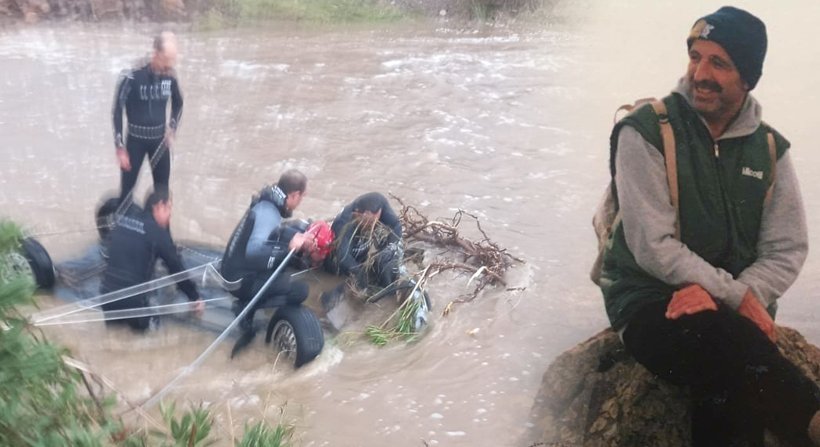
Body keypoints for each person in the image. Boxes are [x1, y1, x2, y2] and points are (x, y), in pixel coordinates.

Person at [599, 6, 820, 446]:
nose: (701, 73)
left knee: (728, 380)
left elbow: (787, 248)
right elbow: (652, 245)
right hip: (650, 303)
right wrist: (734, 297)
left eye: (719, 63)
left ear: (748, 77)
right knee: (724, 341)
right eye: (695, 57)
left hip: (735, 311)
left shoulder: (770, 148)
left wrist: (729, 296)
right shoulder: (644, 132)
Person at [220, 169, 319, 350]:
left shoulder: (270, 200)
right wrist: (289, 248)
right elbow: (254, 251)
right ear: (294, 195)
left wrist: (299, 240)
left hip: (234, 266)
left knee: (289, 239)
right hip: (237, 281)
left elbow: (275, 235)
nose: (300, 202)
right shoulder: (268, 212)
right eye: (301, 197)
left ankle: (251, 301)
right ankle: (245, 308)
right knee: (301, 290)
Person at [100, 188, 203, 331]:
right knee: (154, 334)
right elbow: (176, 269)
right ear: (159, 206)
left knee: (115, 336)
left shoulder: (123, 221)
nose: (170, 214)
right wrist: (194, 297)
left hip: (107, 298)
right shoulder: (158, 233)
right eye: (169, 208)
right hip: (134, 303)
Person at [112, 31, 183, 206]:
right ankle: (119, 228)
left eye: (172, 60)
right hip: (135, 142)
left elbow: (178, 104)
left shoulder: (171, 76)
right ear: (156, 54)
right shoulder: (132, 75)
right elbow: (116, 110)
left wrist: (172, 128)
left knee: (162, 195)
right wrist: (120, 147)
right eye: (166, 60)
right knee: (127, 192)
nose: (169, 65)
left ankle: (160, 232)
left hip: (160, 142)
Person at [320, 192, 404, 310]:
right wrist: (359, 273)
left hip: (361, 258)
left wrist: (391, 247)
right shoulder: (345, 222)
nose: (373, 224)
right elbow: (342, 257)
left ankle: (388, 301)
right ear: (359, 213)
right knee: (353, 282)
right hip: (339, 266)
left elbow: (396, 226)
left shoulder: (380, 204)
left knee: (389, 260)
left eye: (376, 219)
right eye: (369, 220)